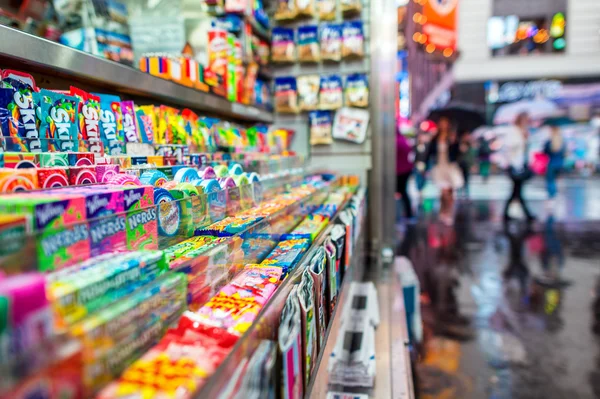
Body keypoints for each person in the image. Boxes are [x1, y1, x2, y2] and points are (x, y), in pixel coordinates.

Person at [428, 117, 463, 225]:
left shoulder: (452, 137)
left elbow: (457, 153)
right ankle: (443, 211)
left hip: (450, 166)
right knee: (443, 190)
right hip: (439, 165)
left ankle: (449, 212)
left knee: (450, 191)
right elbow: (431, 151)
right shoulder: (435, 138)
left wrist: (454, 143)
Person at [503, 112, 535, 222]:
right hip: (514, 164)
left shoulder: (524, 132)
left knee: (516, 191)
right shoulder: (513, 131)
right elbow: (509, 146)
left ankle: (507, 214)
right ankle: (527, 214)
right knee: (517, 190)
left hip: (521, 164)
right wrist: (522, 139)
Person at [544, 125, 566, 199]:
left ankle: (552, 195)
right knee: (557, 180)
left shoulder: (549, 142)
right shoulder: (562, 142)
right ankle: (556, 194)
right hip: (560, 163)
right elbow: (564, 154)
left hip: (551, 163)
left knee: (550, 181)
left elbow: (544, 152)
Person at [396, 132, 414, 220]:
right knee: (402, 192)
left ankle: (407, 214)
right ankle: (407, 213)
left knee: (402, 192)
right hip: (405, 170)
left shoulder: (397, 141)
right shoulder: (403, 140)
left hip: (401, 171)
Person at [413, 131, 430, 202]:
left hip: (424, 166)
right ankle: (419, 192)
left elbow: (428, 157)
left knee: (423, 180)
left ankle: (421, 193)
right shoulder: (415, 146)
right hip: (417, 165)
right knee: (418, 179)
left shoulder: (427, 146)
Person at [458, 132, 475, 198]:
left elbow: (471, 156)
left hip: (466, 164)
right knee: (460, 179)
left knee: (466, 179)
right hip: (461, 164)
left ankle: (466, 193)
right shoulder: (460, 144)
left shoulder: (470, 145)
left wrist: (472, 165)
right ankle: (460, 193)